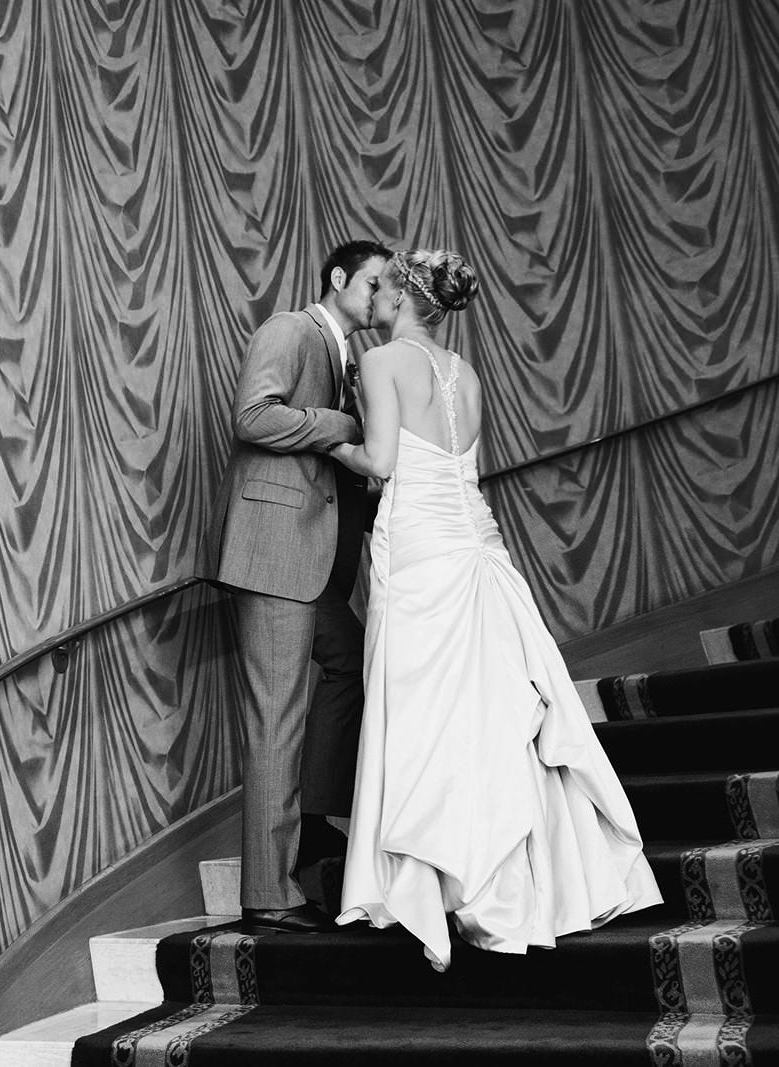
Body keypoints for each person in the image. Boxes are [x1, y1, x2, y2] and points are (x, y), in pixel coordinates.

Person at [330, 249, 662, 970]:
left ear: (401, 300)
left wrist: (335, 440)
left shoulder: (385, 364)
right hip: (473, 538)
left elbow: (383, 464)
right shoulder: (466, 374)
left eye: (385, 288)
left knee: (422, 705)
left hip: (419, 541)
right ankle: (518, 875)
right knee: (488, 706)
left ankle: (439, 876)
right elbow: (464, 466)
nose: (378, 297)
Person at [212, 239, 391, 933]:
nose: (381, 297)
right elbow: (254, 416)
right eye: (373, 284)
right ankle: (267, 892)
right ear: (338, 279)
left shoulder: (349, 356)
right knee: (277, 715)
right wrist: (343, 424)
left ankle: (311, 821)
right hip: (274, 556)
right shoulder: (291, 330)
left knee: (351, 663)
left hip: (312, 564)